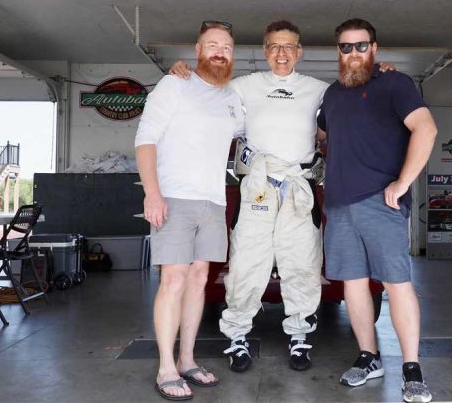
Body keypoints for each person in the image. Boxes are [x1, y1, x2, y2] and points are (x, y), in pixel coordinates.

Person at [170, 20, 328, 372]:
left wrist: (384, 72)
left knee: (302, 263)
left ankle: (300, 336)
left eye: (289, 47)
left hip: (299, 189)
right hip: (257, 186)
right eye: (274, 46)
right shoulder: (243, 86)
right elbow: (204, 93)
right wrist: (182, 72)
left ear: (299, 52)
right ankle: (237, 336)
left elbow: (354, 96)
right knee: (246, 262)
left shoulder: (319, 89)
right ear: (265, 51)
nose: (282, 54)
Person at [317, 18, 438, 403]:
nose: (354, 53)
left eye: (361, 45)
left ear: (375, 48)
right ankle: (369, 357)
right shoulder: (332, 95)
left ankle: (411, 368)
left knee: (396, 282)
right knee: (352, 283)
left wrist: (403, 183)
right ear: (338, 52)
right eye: (346, 47)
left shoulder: (394, 84)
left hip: (380, 202)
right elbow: (325, 136)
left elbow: (427, 129)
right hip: (338, 204)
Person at [135, 20, 245, 401]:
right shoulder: (175, 84)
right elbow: (145, 139)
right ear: (198, 50)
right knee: (174, 280)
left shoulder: (233, 97)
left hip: (214, 201)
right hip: (174, 197)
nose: (220, 51)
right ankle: (165, 367)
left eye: (227, 47)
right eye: (212, 45)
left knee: (200, 279)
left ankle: (187, 359)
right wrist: (153, 194)